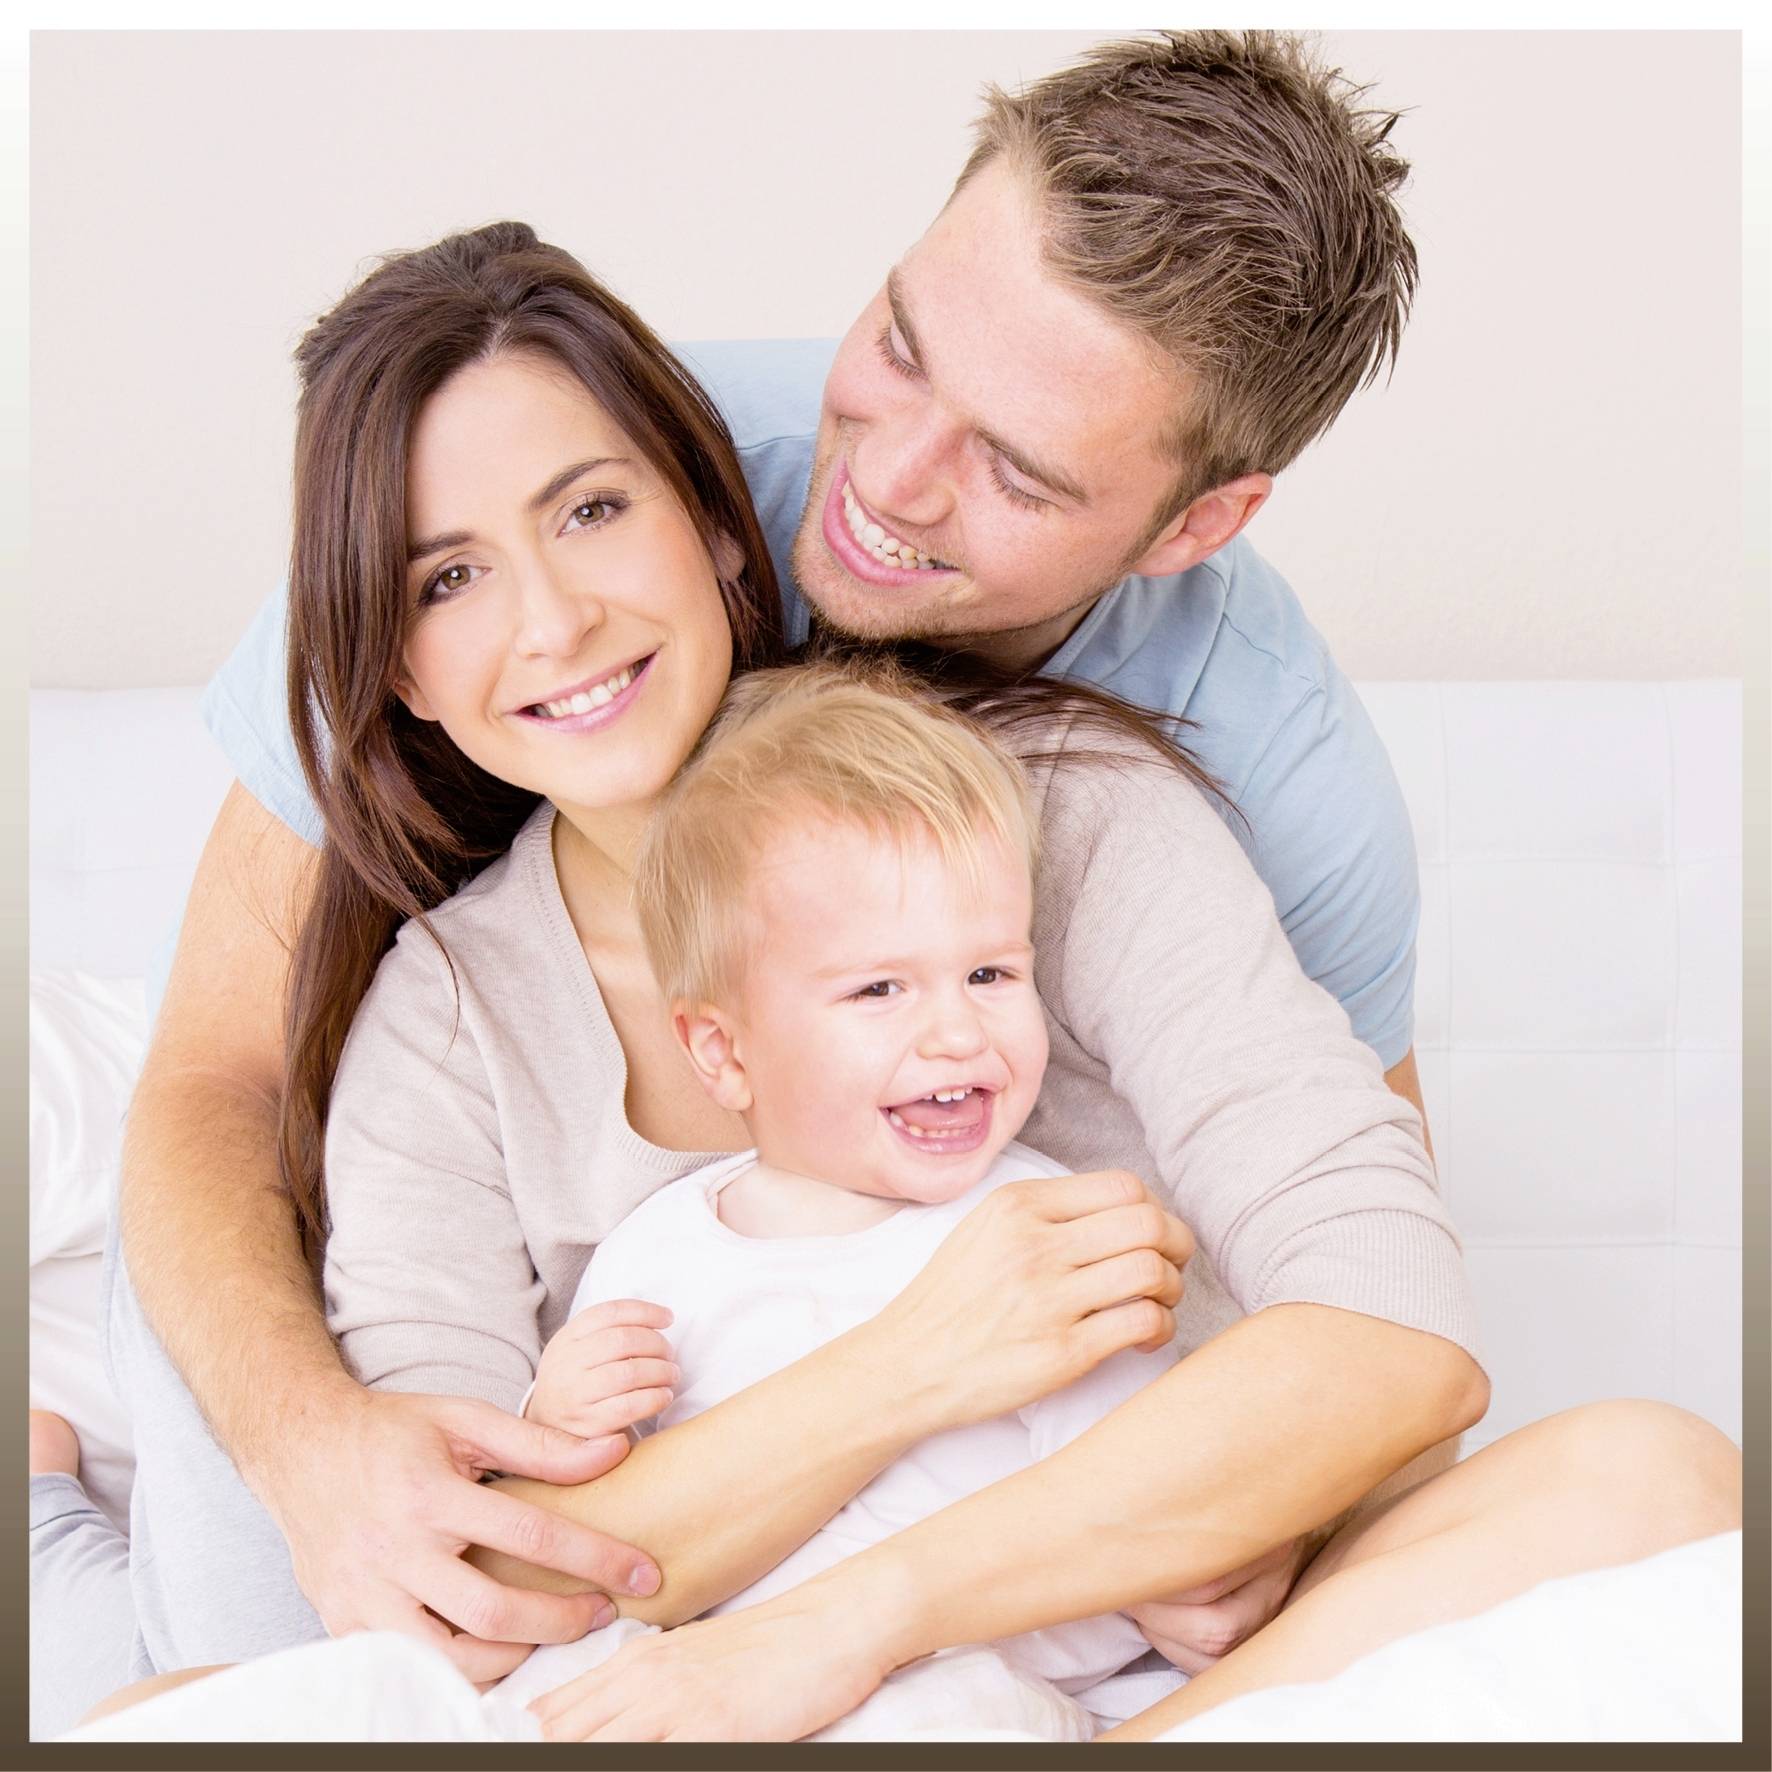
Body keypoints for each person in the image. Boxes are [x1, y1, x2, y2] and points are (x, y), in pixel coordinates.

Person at [77, 27, 1737, 1738]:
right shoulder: (454, 958)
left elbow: (1380, 1332)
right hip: (621, 1622)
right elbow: (457, 1559)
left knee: (1650, 1476)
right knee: (222, 1688)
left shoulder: (1137, 791)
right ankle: (60, 1496)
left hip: (1002, 1634)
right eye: (896, 346)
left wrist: (922, 1603)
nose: (882, 478)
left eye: (1016, 470)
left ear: (709, 528)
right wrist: (924, 1357)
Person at [353, 658, 1194, 1739]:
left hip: (950, 1667)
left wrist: (936, 1639)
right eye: (878, 988)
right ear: (723, 1050)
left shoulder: (1046, 1236)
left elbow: (1130, 1535)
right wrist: (560, 1414)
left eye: (989, 974)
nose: (956, 1031)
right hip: (691, 1671)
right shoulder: (659, 1254)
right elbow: (594, 1511)